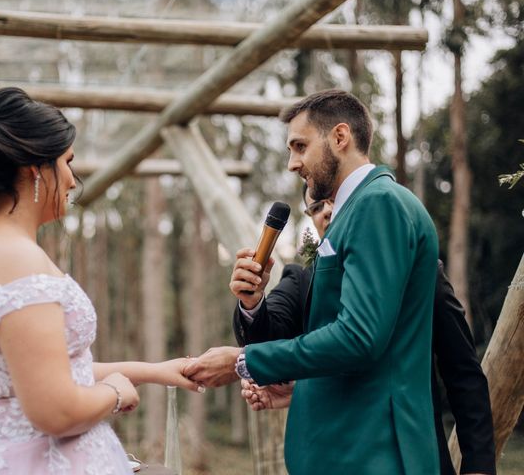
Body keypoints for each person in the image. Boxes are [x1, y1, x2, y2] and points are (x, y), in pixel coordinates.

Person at [0, 87, 201, 474]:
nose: (73, 180)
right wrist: (114, 393)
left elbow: (40, 376)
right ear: (35, 169)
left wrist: (153, 371)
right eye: (67, 162)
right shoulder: (16, 259)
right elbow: (55, 411)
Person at [184, 89, 441, 474]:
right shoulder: (354, 212)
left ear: (340, 138)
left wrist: (243, 362)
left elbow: (359, 337)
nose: (292, 163)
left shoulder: (379, 204)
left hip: (369, 453)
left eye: (300, 146)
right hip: (342, 453)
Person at [234, 186, 496, 475]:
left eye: (335, 200)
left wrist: (478, 466)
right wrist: (252, 302)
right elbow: (267, 342)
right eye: (317, 206)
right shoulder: (300, 281)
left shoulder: (419, 273)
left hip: (411, 460)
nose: (328, 211)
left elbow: (463, 372)